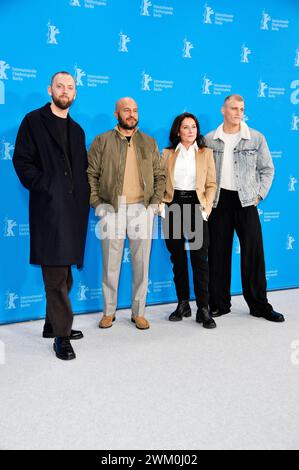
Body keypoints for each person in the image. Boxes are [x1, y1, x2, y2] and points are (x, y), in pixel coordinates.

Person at [13, 71, 90, 360]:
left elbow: (80, 169)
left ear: (75, 93)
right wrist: (45, 186)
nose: (65, 91)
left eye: (70, 87)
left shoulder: (78, 130)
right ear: (50, 90)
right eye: (60, 86)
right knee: (55, 275)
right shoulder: (33, 121)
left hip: (74, 211)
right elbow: (21, 160)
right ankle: (61, 335)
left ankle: (51, 323)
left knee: (65, 272)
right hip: (49, 209)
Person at [87, 97, 165, 330]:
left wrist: (154, 205)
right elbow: (91, 175)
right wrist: (97, 203)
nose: (131, 114)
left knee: (142, 264)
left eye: (134, 110)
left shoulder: (148, 142)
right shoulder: (102, 141)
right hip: (112, 209)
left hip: (142, 209)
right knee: (111, 264)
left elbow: (160, 176)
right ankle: (108, 312)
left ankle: (138, 312)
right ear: (116, 114)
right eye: (126, 110)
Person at [205, 94, 285, 322]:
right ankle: (219, 304)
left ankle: (259, 305)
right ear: (223, 110)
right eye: (234, 108)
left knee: (253, 253)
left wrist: (259, 194)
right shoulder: (211, 139)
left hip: (247, 201)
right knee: (218, 253)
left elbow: (268, 169)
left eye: (242, 108)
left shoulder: (256, 138)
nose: (238, 112)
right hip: (220, 202)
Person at [161, 112, 217, 328]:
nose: (191, 131)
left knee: (199, 259)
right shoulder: (166, 154)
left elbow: (212, 183)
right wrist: (161, 205)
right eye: (186, 127)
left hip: (196, 207)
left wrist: (206, 209)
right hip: (173, 206)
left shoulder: (205, 153)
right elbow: (159, 180)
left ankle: (203, 308)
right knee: (178, 258)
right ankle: (183, 303)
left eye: (194, 127)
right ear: (178, 131)